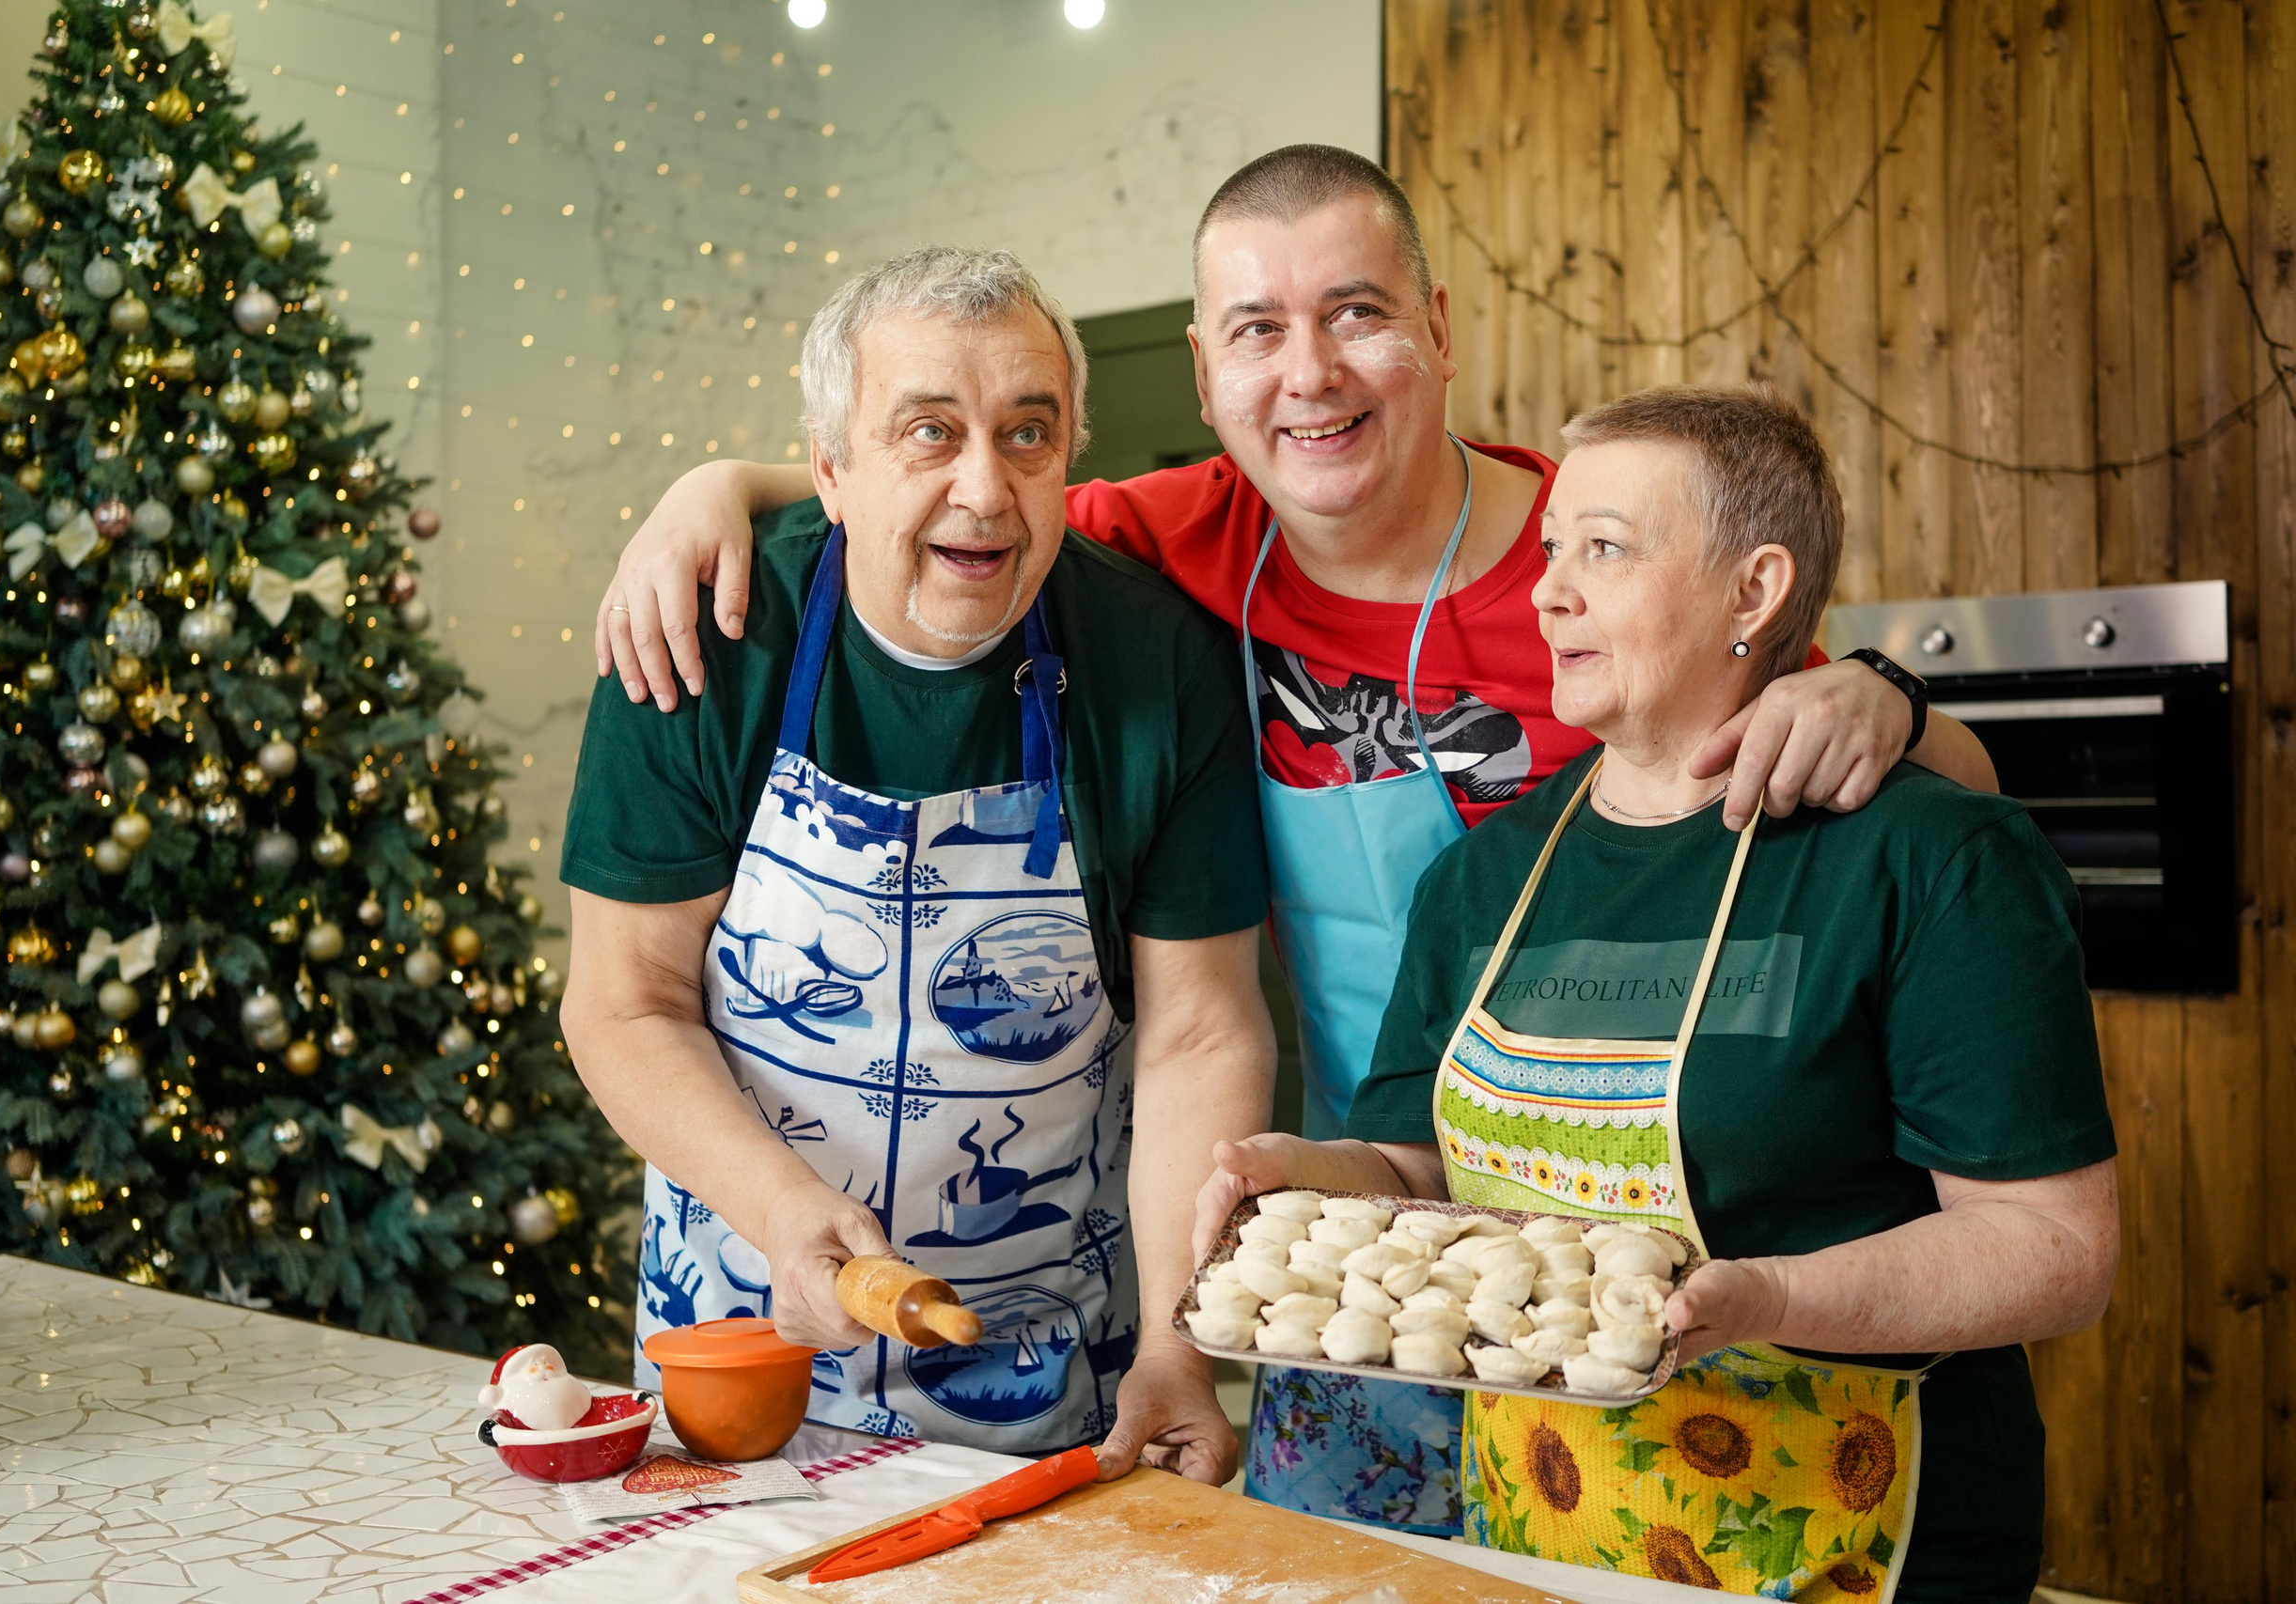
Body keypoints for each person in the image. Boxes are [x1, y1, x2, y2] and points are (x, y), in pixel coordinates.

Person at [586, 146, 2000, 1532]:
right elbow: (942, 488)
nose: (1308, 374)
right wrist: (720, 483)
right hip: (1339, 1231)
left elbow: (1930, 784)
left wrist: (1886, 690)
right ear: (1207, 381)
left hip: (1665, 1269)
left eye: (1360, 315)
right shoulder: (1179, 546)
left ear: (1440, 334)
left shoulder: (1596, 576)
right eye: (1260, 330)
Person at [1196, 384, 2119, 1601]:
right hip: (1539, 1519)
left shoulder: (1928, 860)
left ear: (1755, 589)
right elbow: (1426, 1173)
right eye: (1552, 551)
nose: (1549, 591)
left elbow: (2054, 1248)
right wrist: (1294, 1174)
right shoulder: (1485, 878)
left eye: (1607, 551)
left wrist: (1769, 1298)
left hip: (1855, 1531)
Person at [559, 246, 1275, 1483]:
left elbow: (1199, 1036)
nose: (985, 490)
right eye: (928, 434)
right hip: (742, 1352)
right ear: (830, 468)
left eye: (1028, 435)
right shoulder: (706, 632)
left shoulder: (1157, 664)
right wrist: (785, 1213)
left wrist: (1178, 1344)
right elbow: (625, 1002)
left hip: (1055, 1389)